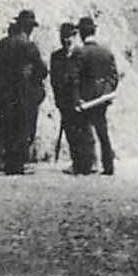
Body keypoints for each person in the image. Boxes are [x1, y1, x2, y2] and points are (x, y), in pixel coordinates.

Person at [0, 10, 48, 175]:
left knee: (3, 124)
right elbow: (42, 70)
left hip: (4, 94)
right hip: (23, 94)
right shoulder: (29, 46)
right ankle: (16, 164)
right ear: (28, 27)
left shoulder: (2, 45)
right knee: (22, 128)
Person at [74, 15, 119, 177]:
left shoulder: (80, 53)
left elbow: (75, 78)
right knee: (103, 132)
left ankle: (85, 166)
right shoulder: (106, 52)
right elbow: (114, 76)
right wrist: (106, 93)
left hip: (86, 99)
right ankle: (108, 166)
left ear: (81, 33)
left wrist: (77, 98)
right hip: (101, 99)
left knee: (85, 132)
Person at [49, 22, 96, 175]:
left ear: (75, 37)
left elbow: (87, 79)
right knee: (71, 132)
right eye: (63, 37)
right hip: (65, 101)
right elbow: (54, 80)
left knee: (84, 131)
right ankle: (77, 163)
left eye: (69, 37)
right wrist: (58, 99)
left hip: (81, 100)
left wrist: (84, 99)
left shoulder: (81, 55)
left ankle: (89, 163)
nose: (66, 40)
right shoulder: (56, 57)